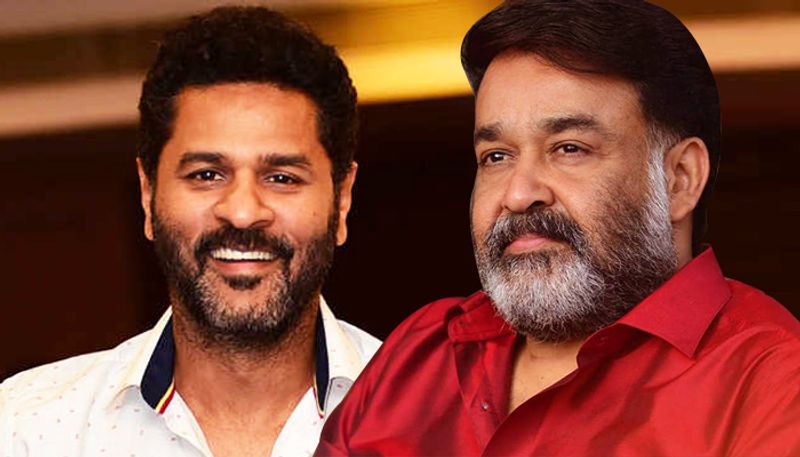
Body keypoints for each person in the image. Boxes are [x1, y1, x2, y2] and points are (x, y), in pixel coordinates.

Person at [316, 0, 800, 455]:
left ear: (680, 178)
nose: (519, 193)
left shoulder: (772, 381)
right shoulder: (420, 351)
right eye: (496, 156)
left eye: (569, 148)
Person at [0, 6, 380, 457]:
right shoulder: (24, 429)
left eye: (281, 177)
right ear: (148, 195)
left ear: (342, 199)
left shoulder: (437, 418)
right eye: (206, 175)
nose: (242, 213)